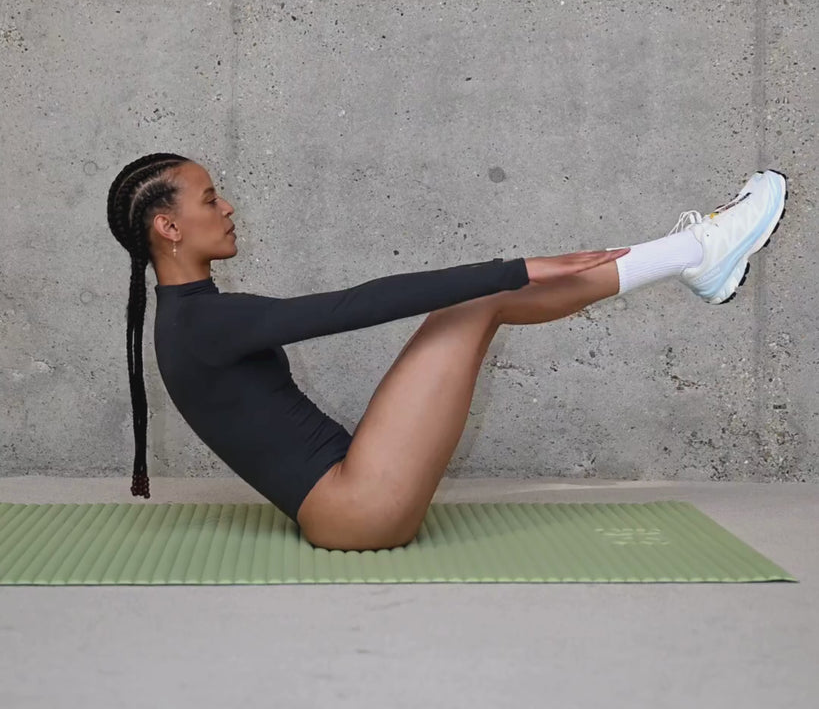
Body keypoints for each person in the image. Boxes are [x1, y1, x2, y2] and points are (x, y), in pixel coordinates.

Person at [106, 155, 787, 551]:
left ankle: (695, 257)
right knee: (478, 298)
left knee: (475, 302)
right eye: (209, 198)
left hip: (354, 491)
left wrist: (513, 272)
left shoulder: (196, 319)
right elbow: (356, 306)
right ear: (169, 227)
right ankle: (695, 252)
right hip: (358, 509)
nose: (227, 207)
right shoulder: (204, 324)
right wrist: (513, 265)